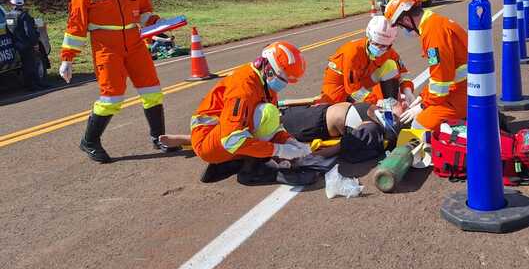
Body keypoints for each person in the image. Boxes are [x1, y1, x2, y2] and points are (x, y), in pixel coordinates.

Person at [58, 0, 175, 163]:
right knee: (111, 98)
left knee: (152, 92)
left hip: (135, 44)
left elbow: (144, 12)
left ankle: (159, 137)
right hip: (106, 47)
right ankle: (89, 141)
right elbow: (76, 26)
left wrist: (158, 26)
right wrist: (67, 59)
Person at [187, 41, 314, 185]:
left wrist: (289, 141)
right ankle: (252, 170)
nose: (283, 84)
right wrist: (279, 150)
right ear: (267, 67)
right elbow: (231, 140)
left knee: (268, 114)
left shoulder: (264, 83)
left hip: (220, 136)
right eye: (282, 78)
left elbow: (272, 127)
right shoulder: (243, 88)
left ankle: (239, 160)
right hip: (208, 142)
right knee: (266, 113)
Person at [161, 99, 403, 167]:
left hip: (314, 120)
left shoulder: (372, 119)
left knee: (255, 134)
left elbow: (344, 145)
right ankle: (191, 139)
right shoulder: (374, 119)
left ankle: (188, 140)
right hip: (313, 119)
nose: (396, 109)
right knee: (255, 134)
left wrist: (310, 155)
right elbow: (343, 147)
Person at [382, 0, 467, 130]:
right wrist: (422, 97)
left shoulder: (433, 33)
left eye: (402, 26)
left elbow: (441, 82)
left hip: (462, 94)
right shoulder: (436, 22)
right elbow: (442, 74)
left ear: (406, 20)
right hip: (463, 88)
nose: (404, 30)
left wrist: (422, 106)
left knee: (418, 125)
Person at [319, 16, 414, 105]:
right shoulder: (352, 53)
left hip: (361, 81)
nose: (379, 48)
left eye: (384, 46)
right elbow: (353, 90)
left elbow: (402, 74)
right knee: (333, 112)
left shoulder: (389, 52)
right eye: (376, 44)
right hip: (339, 86)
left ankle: (391, 104)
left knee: (391, 65)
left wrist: (407, 91)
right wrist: (376, 102)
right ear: (369, 37)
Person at [6, 0, 46, 90]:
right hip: (27, 44)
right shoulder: (24, 16)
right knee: (30, 65)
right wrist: (35, 43)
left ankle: (34, 84)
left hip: (17, 43)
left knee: (25, 64)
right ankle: (32, 85)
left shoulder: (8, 16)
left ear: (12, 4)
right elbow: (29, 32)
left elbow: (10, 30)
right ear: (22, 4)